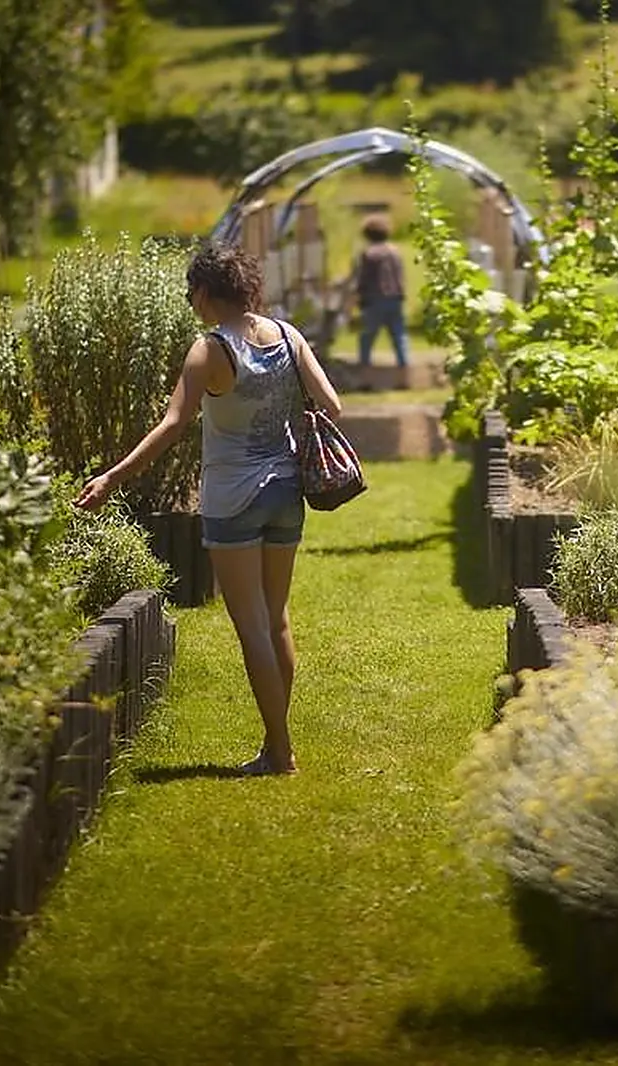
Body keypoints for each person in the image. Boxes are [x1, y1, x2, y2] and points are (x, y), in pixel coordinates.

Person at [74, 241, 343, 776]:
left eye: (191, 293)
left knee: (251, 626)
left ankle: (280, 751)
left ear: (202, 292)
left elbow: (173, 425)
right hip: (288, 490)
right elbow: (332, 404)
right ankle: (274, 746)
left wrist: (111, 477)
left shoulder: (209, 350)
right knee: (276, 618)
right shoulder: (288, 335)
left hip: (233, 498)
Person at [349, 214, 407, 368]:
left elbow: (363, 278)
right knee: (399, 335)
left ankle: (364, 366)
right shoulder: (394, 251)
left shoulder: (369, 253)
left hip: (375, 299)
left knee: (367, 336)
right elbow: (400, 274)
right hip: (395, 297)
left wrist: (358, 296)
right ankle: (404, 366)